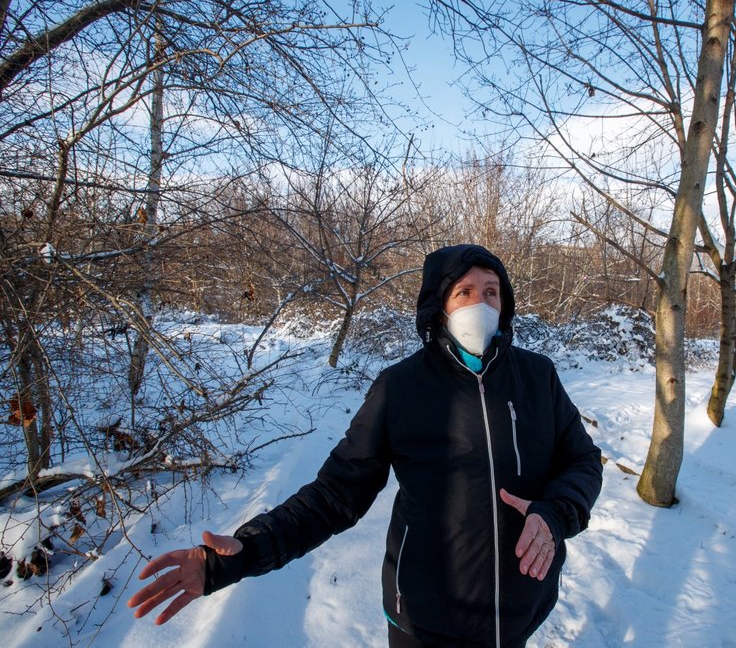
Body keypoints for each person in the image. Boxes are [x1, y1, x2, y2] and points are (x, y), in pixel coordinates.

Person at [128, 244, 603, 648]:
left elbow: (581, 459)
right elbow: (336, 495)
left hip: (519, 612)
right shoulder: (400, 389)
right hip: (424, 620)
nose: (481, 303)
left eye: (492, 292)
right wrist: (244, 554)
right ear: (439, 306)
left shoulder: (536, 377)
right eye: (465, 292)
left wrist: (556, 512)